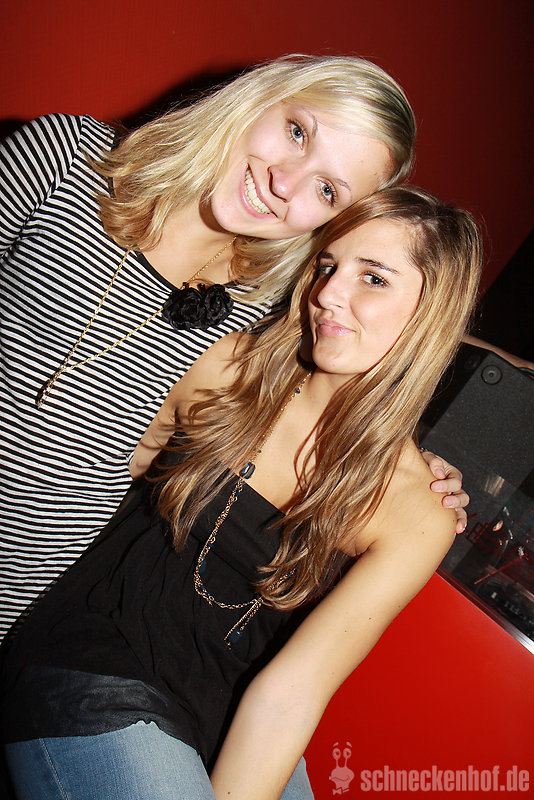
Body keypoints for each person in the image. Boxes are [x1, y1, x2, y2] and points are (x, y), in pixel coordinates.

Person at [1, 187, 482, 800]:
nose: (328, 293)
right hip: (97, 646)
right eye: (327, 265)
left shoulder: (418, 510)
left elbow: (292, 692)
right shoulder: (226, 365)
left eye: (374, 278)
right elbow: (97, 479)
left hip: (229, 695)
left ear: (431, 314)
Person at [0, 54, 466, 639]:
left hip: (27, 603)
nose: (284, 183)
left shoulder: (268, 306)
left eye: (326, 189)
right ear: (261, 95)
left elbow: (370, 353)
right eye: (297, 132)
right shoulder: (66, 161)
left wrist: (420, 465)